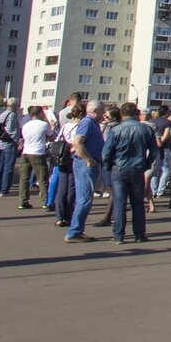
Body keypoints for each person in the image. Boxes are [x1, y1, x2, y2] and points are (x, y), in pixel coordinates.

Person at [101, 102, 158, 245]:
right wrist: (146, 164)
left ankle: (118, 235)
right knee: (138, 202)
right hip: (137, 168)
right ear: (137, 114)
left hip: (119, 168)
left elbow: (106, 152)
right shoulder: (146, 129)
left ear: (122, 114)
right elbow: (154, 151)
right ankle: (139, 234)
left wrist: (108, 166)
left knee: (119, 202)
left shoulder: (116, 129)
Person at [65, 101, 106, 243]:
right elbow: (78, 142)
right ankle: (74, 232)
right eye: (102, 111)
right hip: (85, 165)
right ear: (95, 110)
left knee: (84, 198)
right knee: (85, 199)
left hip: (87, 163)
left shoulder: (91, 123)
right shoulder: (87, 123)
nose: (104, 113)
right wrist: (88, 159)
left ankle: (77, 230)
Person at [17, 105, 52, 210]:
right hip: (38, 153)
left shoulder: (26, 125)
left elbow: (24, 138)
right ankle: (45, 201)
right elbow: (52, 137)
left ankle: (23, 201)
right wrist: (53, 127)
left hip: (26, 152)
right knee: (42, 178)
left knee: (24, 179)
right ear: (40, 113)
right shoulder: (44, 125)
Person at [0, 98, 22, 197]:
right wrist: (17, 142)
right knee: (8, 167)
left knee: (0, 167)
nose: (18, 107)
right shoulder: (12, 115)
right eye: (18, 105)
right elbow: (11, 131)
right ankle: (4, 190)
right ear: (14, 105)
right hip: (9, 145)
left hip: (1, 144)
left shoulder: (3, 114)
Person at [149, 105, 171, 198]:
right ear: (166, 112)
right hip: (165, 148)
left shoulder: (153, 121)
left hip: (154, 148)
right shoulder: (168, 122)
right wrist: (161, 142)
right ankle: (160, 190)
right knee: (166, 170)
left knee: (155, 170)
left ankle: (153, 190)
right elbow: (166, 135)